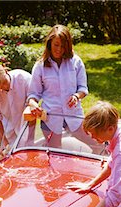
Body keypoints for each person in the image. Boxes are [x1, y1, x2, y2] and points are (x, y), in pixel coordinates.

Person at [26, 24, 103, 154]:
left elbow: (83, 88)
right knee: (55, 155)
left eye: (63, 46)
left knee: (98, 145)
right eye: (56, 45)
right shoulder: (40, 66)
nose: (59, 49)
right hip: (50, 118)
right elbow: (33, 94)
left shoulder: (76, 62)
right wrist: (33, 105)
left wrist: (76, 96)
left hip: (74, 116)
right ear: (49, 43)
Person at [0, 62, 33, 159]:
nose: (3, 87)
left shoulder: (24, 78)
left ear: (6, 71)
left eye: (3, 83)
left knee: (25, 160)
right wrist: (5, 143)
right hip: (4, 130)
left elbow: (33, 102)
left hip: (25, 127)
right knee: (0, 162)